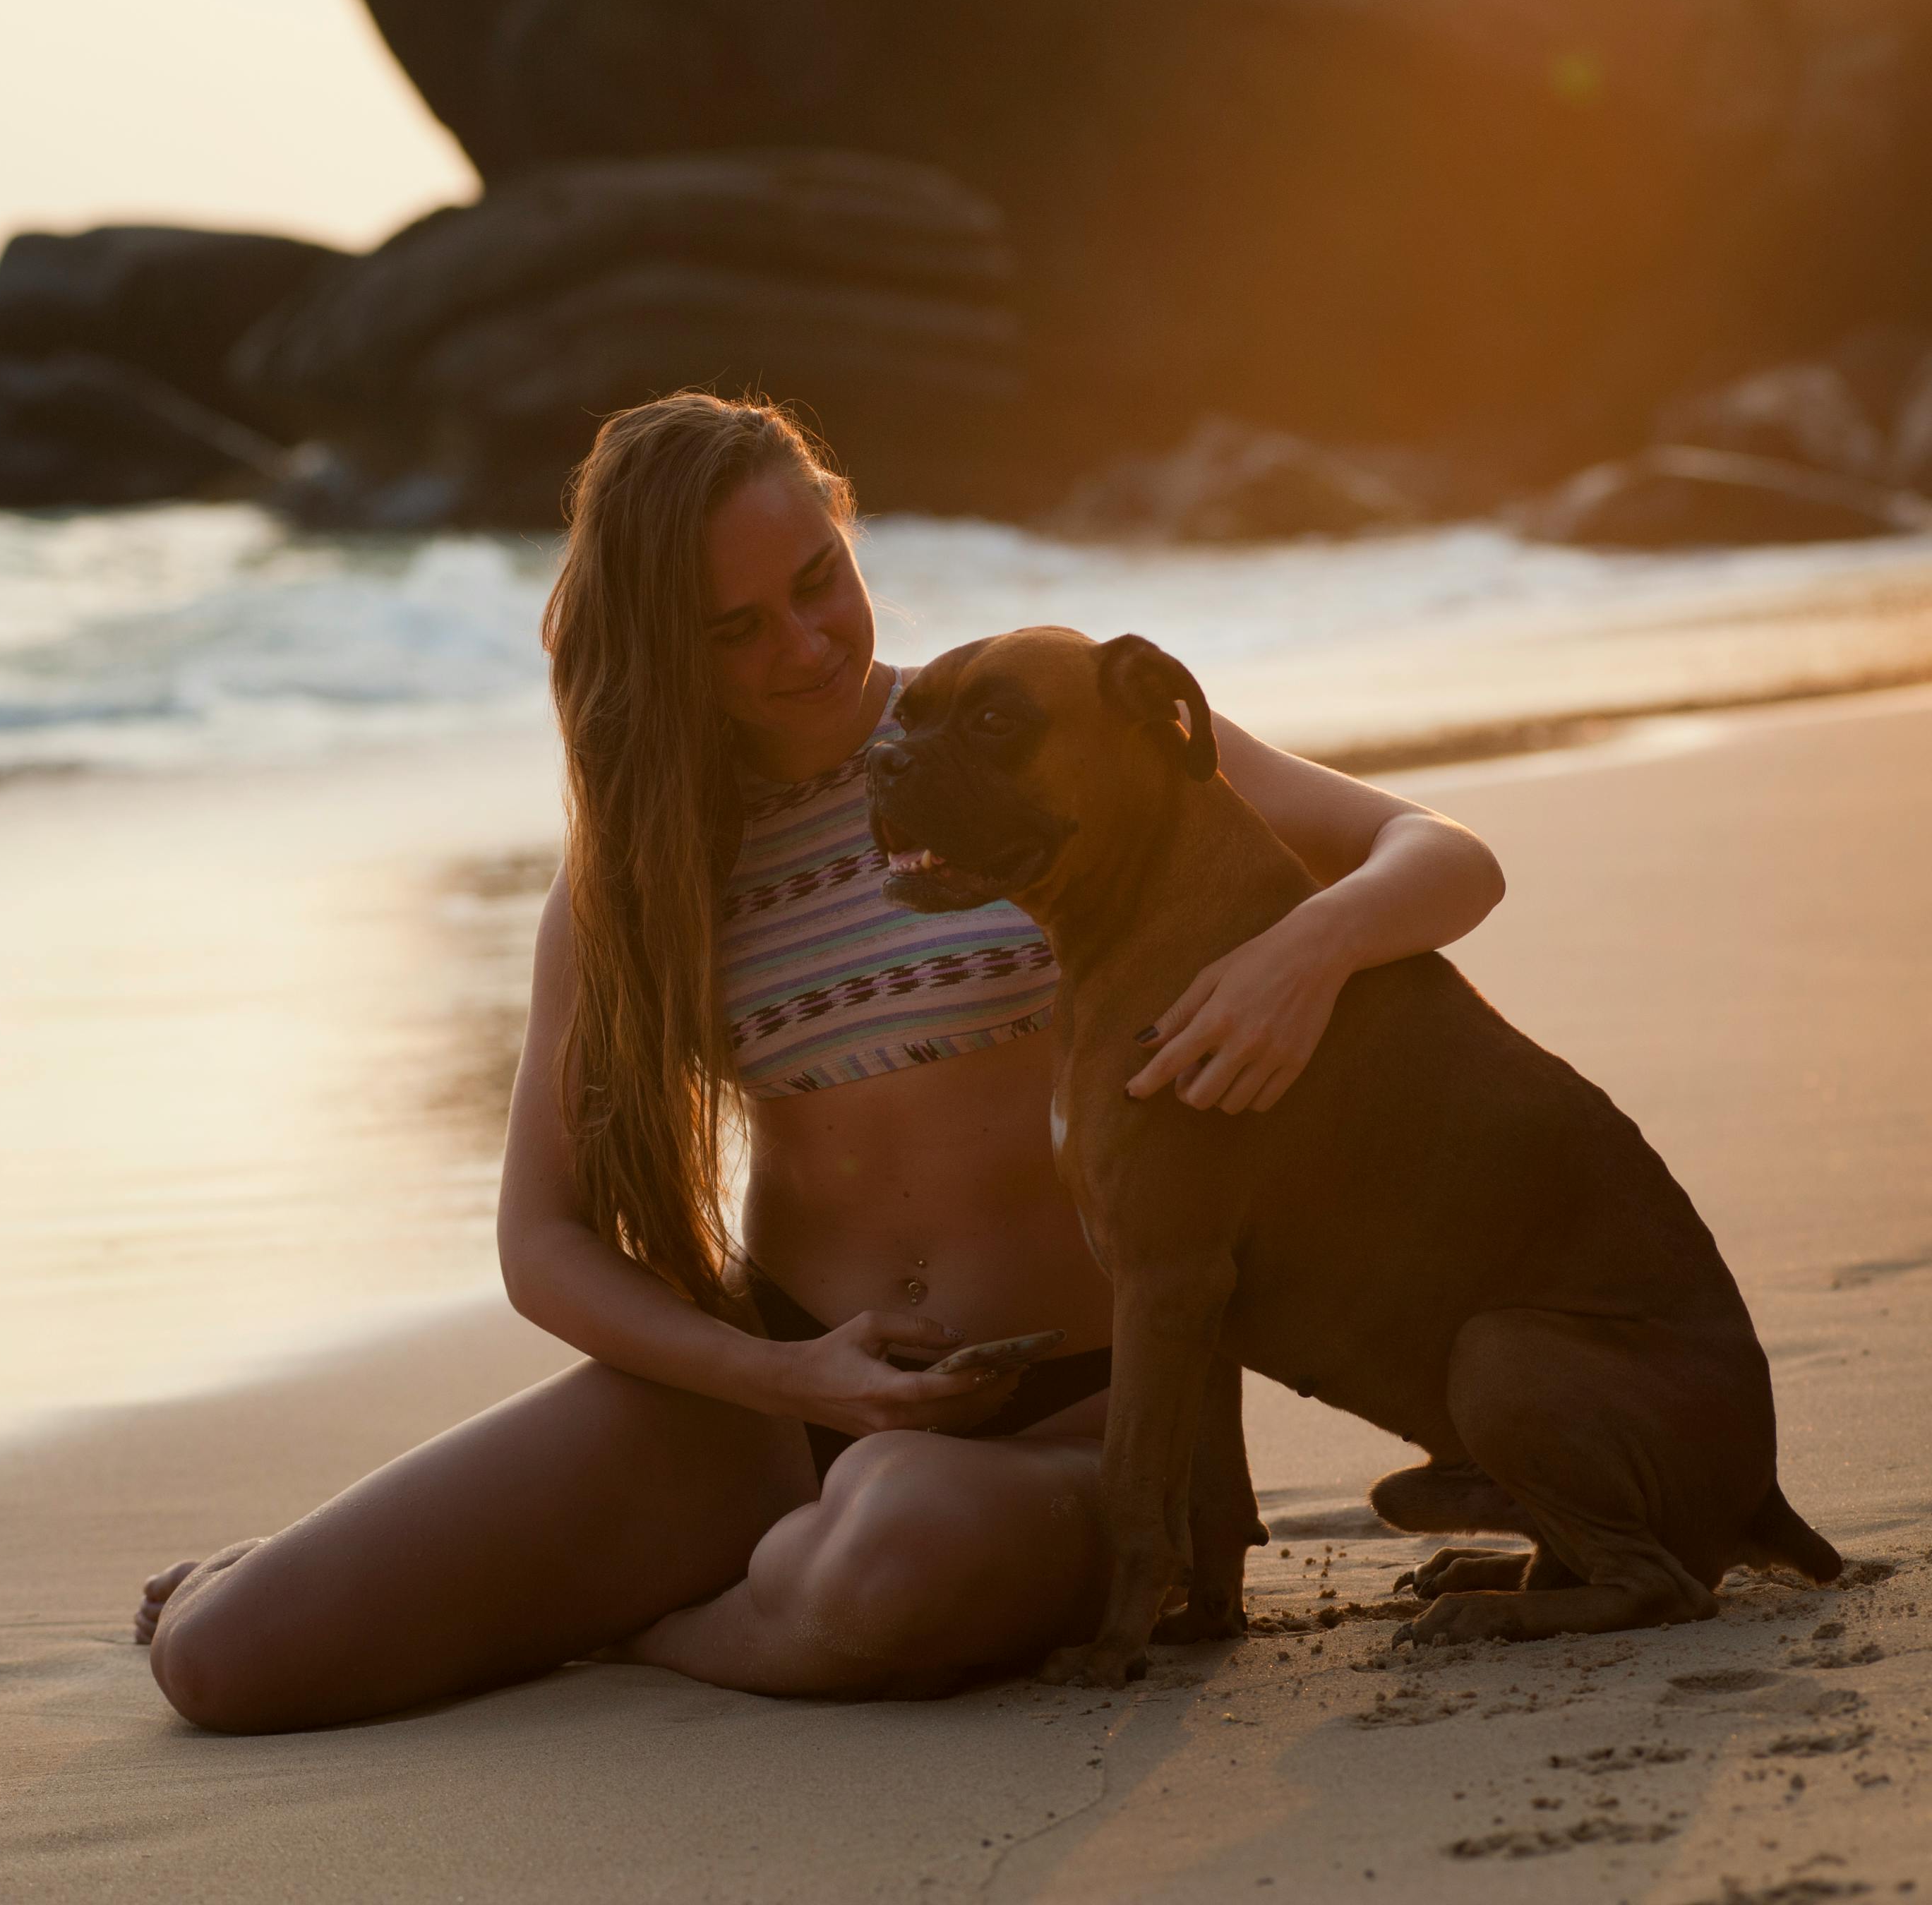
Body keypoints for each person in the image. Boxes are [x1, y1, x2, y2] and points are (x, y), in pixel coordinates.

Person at [136, 392, 1506, 1731]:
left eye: (818, 581)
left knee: (890, 1558)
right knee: (226, 1663)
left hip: (1079, 1421)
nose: (802, 645)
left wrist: (1303, 955)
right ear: (661, 651)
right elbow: (541, 1242)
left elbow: (1443, 858)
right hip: (768, 1396)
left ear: (847, 530)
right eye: (734, 630)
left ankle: (645, 1625)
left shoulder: (1045, 729)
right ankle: (710, 1583)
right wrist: (790, 1382)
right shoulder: (643, 878)